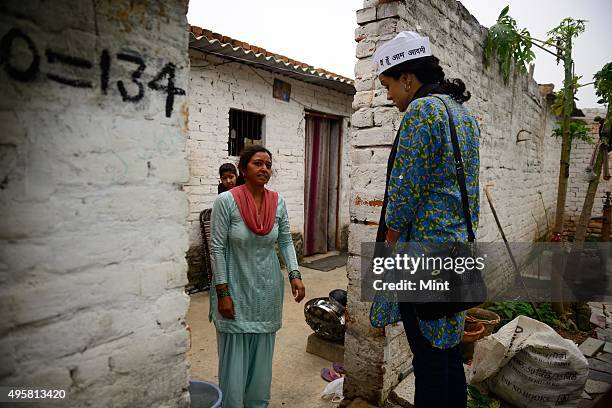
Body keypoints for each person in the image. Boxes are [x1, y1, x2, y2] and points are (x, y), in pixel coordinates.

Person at [373, 31, 480, 407]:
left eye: (388, 85)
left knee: (429, 359)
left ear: (407, 78)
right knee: (449, 352)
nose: (388, 95)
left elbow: (404, 193)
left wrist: (387, 247)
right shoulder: (462, 114)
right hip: (457, 250)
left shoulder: (422, 111)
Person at [209, 145, 306, 408]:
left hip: (267, 288)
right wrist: (222, 293)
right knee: (234, 354)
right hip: (235, 286)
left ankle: (256, 404)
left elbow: (285, 241)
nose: (264, 168)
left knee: (262, 353)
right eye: (257, 163)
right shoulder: (226, 201)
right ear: (243, 169)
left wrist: (294, 274)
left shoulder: (278, 202)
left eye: (268, 164)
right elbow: (216, 248)